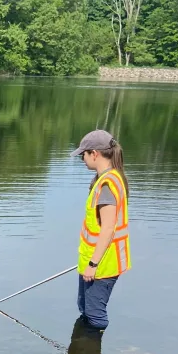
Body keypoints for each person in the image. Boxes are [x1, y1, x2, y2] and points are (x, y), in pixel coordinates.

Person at [72, 129, 131, 330]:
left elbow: (108, 229)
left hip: (103, 264)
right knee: (84, 307)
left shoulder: (107, 184)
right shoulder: (105, 178)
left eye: (83, 154)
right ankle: (81, 347)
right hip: (95, 260)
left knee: (95, 315)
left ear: (95, 154)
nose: (82, 159)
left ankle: (92, 348)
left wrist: (93, 264)